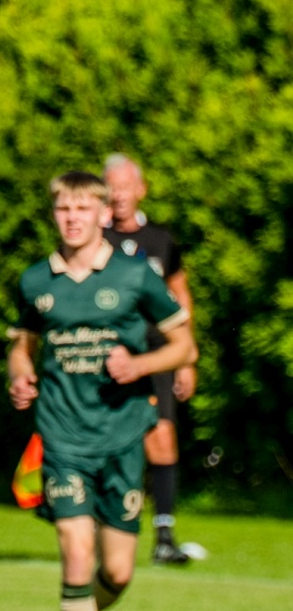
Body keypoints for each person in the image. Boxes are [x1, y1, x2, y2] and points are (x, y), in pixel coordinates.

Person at [7, 171, 197, 611]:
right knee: (75, 549)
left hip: (123, 436)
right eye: (63, 209)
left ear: (101, 214)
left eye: (82, 209)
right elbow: (21, 346)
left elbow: (183, 347)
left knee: (117, 572)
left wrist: (140, 364)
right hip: (62, 436)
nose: (72, 219)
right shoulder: (35, 281)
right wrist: (19, 374)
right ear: (54, 214)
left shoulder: (135, 276)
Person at [103, 154, 197, 565]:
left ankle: (164, 536)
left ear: (141, 190)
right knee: (106, 442)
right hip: (107, 356)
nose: (119, 195)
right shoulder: (94, 238)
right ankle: (101, 527)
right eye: (112, 187)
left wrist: (186, 358)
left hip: (156, 354)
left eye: (125, 186)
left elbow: (181, 294)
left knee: (161, 437)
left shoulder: (161, 240)